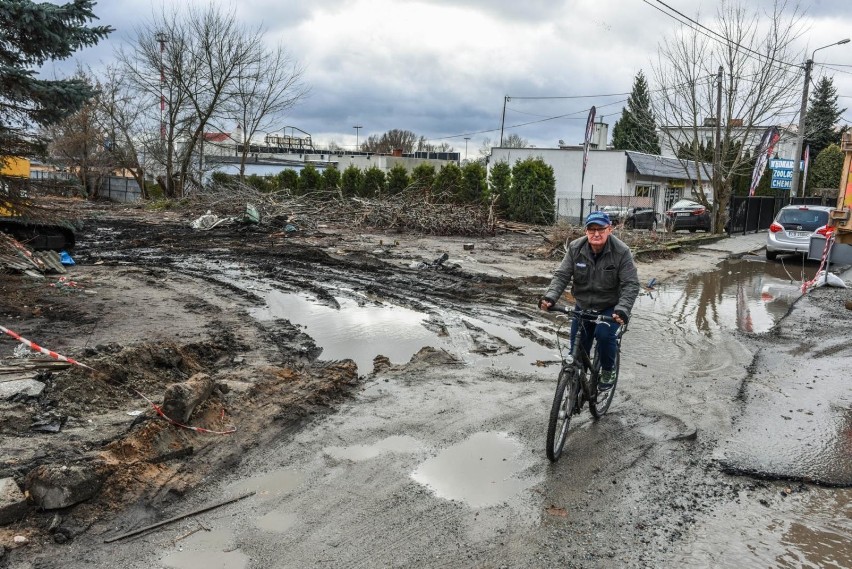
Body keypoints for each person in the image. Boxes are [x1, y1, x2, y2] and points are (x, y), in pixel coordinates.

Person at [539, 211, 640, 389]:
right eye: (591, 229)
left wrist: (622, 309)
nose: (596, 234)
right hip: (583, 305)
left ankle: (608, 371)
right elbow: (562, 275)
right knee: (577, 352)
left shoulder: (621, 251)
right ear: (586, 231)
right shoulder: (575, 248)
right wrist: (550, 297)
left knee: (603, 336)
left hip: (610, 307)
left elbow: (630, 284)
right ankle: (576, 383)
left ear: (609, 229)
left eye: (600, 229)